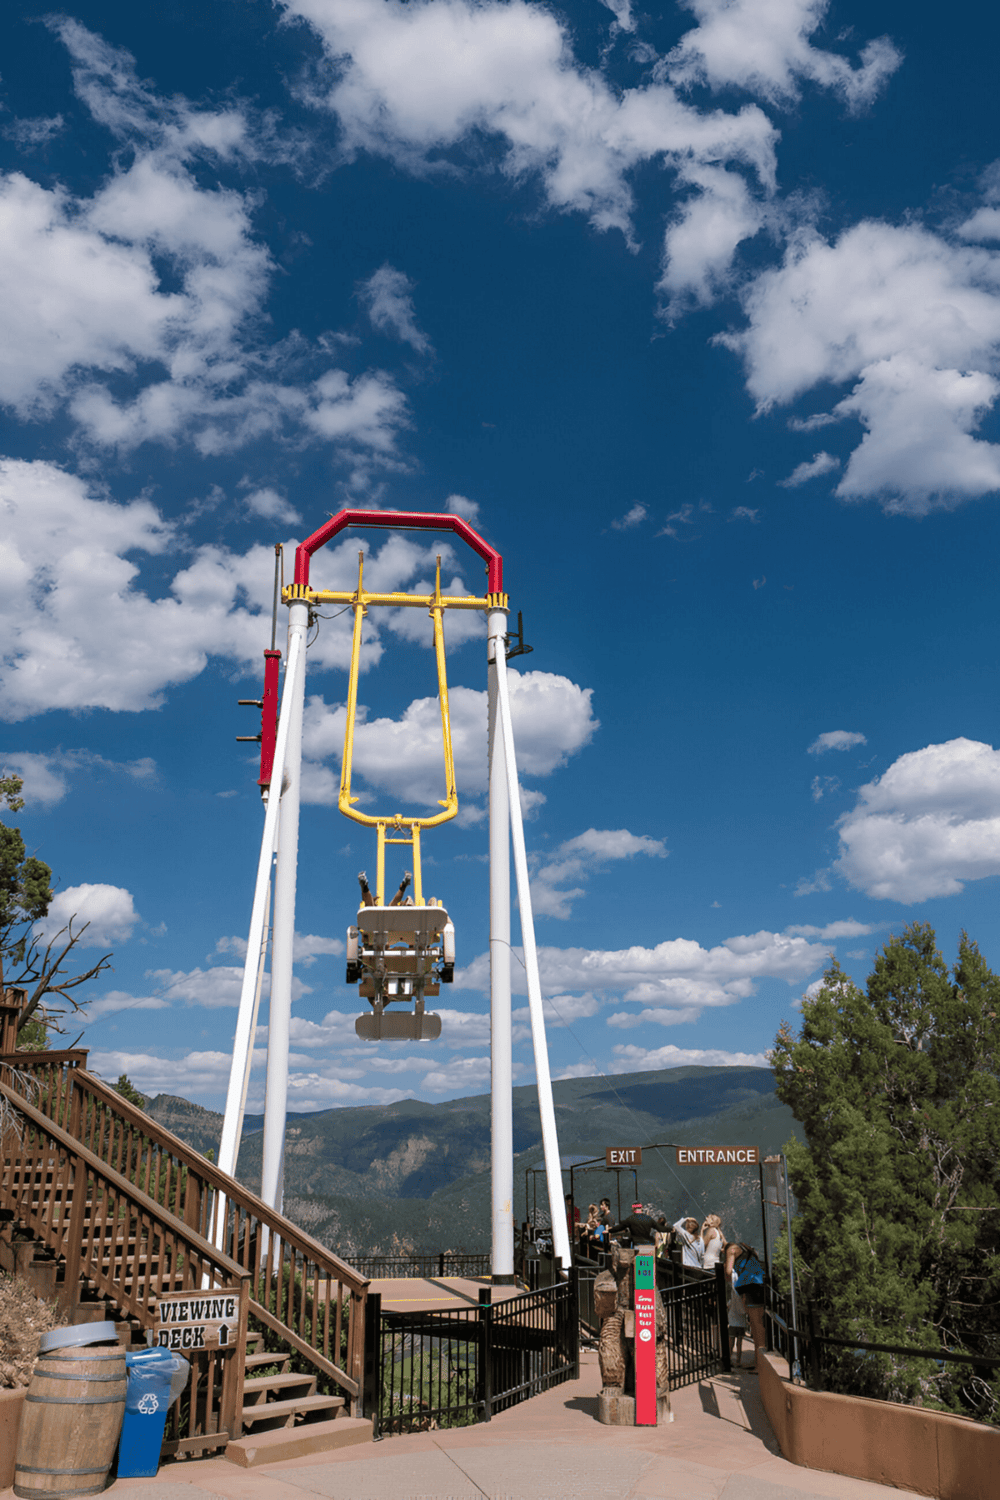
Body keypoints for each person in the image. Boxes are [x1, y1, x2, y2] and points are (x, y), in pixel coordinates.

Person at [725, 1241, 766, 1371]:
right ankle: (758, 1362)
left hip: (751, 1287)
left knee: (757, 1326)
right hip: (758, 1284)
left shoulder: (730, 1250)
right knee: (757, 1325)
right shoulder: (744, 1248)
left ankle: (760, 1365)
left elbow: (728, 1271)